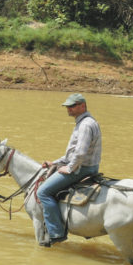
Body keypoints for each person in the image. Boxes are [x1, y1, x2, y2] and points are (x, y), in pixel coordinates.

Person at [36, 93, 102, 247]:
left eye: (72, 106)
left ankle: (56, 233)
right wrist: (56, 162)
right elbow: (72, 153)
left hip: (82, 169)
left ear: (82, 106)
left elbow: (79, 153)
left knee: (42, 192)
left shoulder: (85, 125)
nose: (68, 109)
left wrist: (70, 168)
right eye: (68, 106)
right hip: (88, 165)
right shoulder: (87, 122)